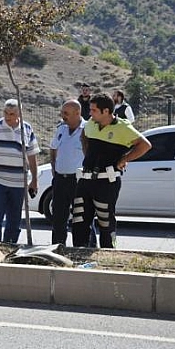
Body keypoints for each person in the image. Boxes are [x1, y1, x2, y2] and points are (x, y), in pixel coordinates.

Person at [71, 93, 151, 248]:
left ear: (106, 111)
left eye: (94, 110)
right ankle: (78, 254)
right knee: (79, 219)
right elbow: (83, 137)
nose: (90, 113)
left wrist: (124, 159)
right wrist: (88, 154)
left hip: (107, 181)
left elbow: (145, 145)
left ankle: (109, 253)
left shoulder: (122, 127)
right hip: (85, 180)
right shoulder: (91, 124)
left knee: (105, 221)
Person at [0, 99, 40, 244]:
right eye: (6, 113)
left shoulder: (27, 129)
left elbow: (32, 155)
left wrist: (34, 179)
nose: (8, 116)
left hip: (18, 183)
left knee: (14, 218)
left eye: (12, 113)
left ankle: (10, 245)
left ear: (19, 114)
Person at [49, 100, 87, 246]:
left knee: (81, 218)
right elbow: (53, 148)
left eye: (66, 113)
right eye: (62, 112)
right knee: (58, 218)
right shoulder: (61, 129)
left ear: (77, 113)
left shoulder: (87, 129)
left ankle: (83, 249)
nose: (62, 115)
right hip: (60, 180)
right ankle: (58, 248)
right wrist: (53, 167)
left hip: (78, 181)